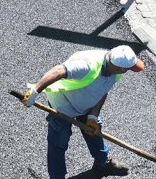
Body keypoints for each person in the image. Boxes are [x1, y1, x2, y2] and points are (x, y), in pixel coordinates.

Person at [21, 44, 142, 178]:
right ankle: (57, 177)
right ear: (119, 67)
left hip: (85, 106)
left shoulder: (114, 69)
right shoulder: (87, 65)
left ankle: (102, 162)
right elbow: (58, 70)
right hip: (63, 107)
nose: (127, 71)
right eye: (127, 69)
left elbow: (102, 92)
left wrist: (93, 117)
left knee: (95, 131)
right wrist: (34, 91)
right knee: (58, 143)